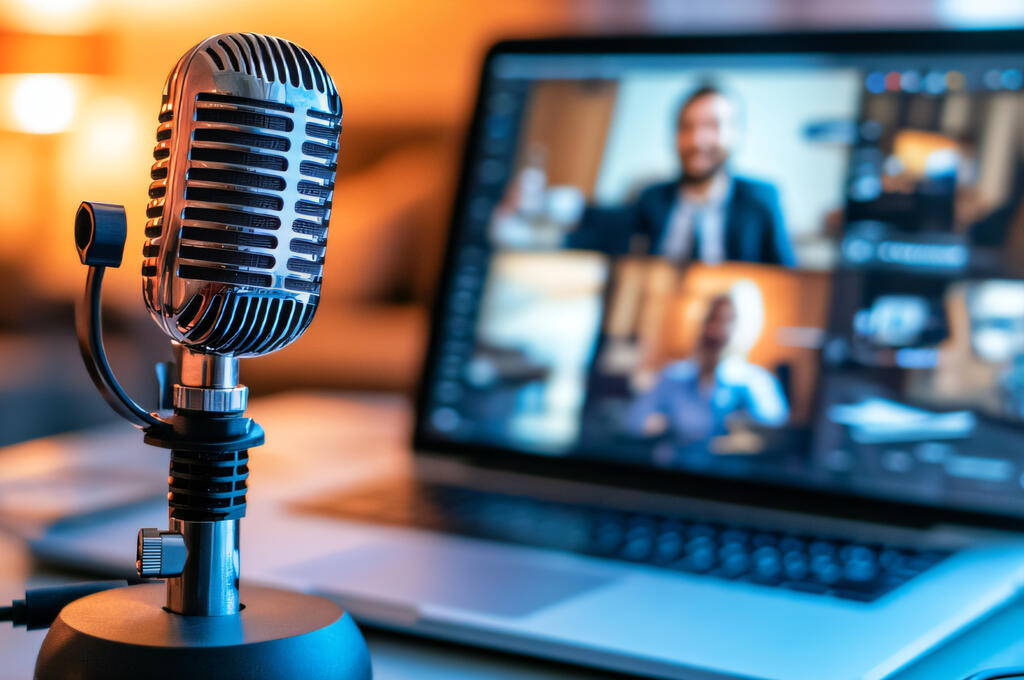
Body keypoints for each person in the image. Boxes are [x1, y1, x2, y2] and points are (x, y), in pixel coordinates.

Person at [569, 85, 796, 266]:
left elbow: (789, 281)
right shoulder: (650, 197)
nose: (696, 140)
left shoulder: (761, 200)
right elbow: (598, 243)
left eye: (711, 126)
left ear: (735, 133)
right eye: (686, 127)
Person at [625, 282, 788, 465]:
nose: (715, 331)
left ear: (746, 329)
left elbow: (774, 441)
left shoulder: (758, 385)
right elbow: (635, 422)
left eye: (728, 321)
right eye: (712, 319)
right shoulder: (674, 376)